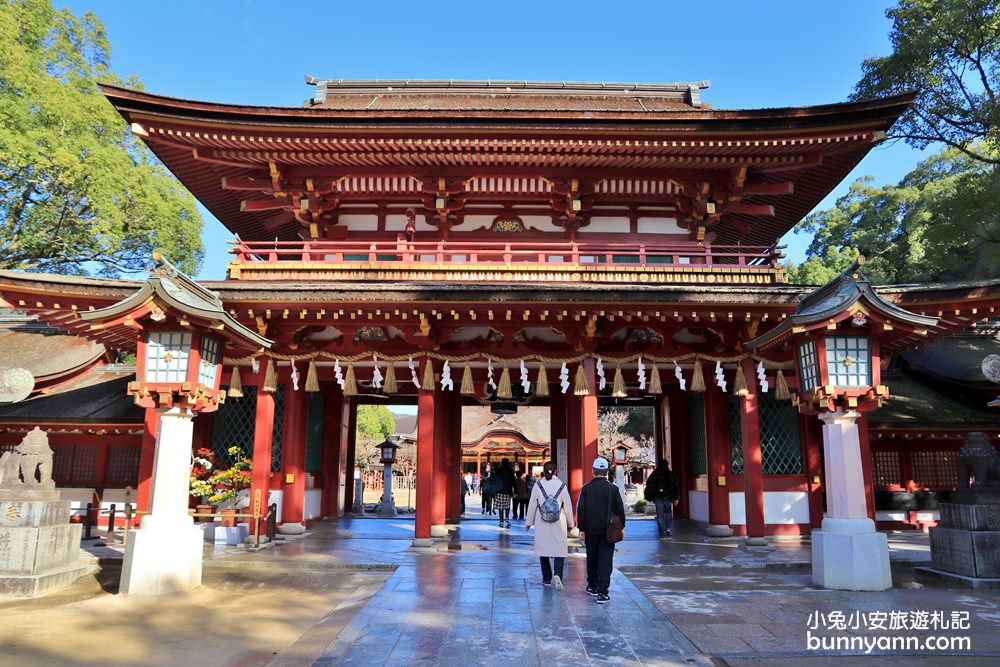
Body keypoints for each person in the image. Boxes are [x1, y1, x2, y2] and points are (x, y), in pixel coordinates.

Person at [577, 456, 626, 604]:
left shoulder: (586, 489)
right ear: (606, 472)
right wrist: (621, 526)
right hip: (608, 530)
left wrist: (581, 528)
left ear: (593, 471)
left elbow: (581, 510)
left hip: (591, 530)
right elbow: (620, 510)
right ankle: (603, 592)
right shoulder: (613, 489)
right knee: (605, 560)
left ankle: (592, 586)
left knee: (591, 558)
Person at [525, 460, 574, 590]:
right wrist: (571, 524)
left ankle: (546, 578)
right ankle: (558, 575)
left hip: (542, 520)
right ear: (556, 471)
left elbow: (532, 505)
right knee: (559, 549)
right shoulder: (562, 486)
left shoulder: (538, 485)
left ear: (544, 471)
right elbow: (567, 506)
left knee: (544, 549)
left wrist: (528, 523)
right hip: (559, 520)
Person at [644, 459, 680, 539]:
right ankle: (668, 529)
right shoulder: (670, 474)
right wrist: (676, 498)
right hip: (668, 497)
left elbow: (648, 483)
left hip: (657, 497)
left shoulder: (655, 474)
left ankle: (661, 533)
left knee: (660, 515)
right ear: (667, 465)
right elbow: (676, 486)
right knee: (668, 513)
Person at [495, 458, 515, 528]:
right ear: (508, 462)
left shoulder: (498, 470)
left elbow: (495, 480)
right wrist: (515, 490)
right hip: (508, 491)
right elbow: (513, 481)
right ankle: (507, 517)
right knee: (507, 506)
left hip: (499, 491)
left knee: (501, 507)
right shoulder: (511, 470)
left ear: (502, 462)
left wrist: (494, 491)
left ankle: (501, 522)